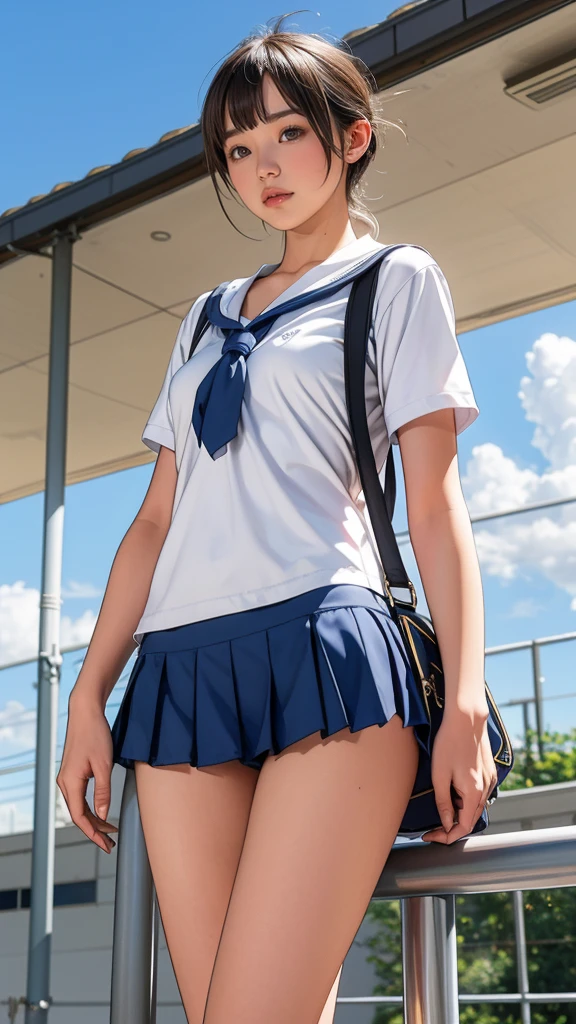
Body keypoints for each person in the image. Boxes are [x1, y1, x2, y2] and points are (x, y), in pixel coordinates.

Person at [57, 14, 497, 1024]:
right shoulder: (205, 318)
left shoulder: (397, 280)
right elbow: (154, 522)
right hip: (181, 676)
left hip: (328, 656)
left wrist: (463, 700)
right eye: (239, 149)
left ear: (351, 137)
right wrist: (90, 694)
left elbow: (433, 503)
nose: (263, 167)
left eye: (288, 134)